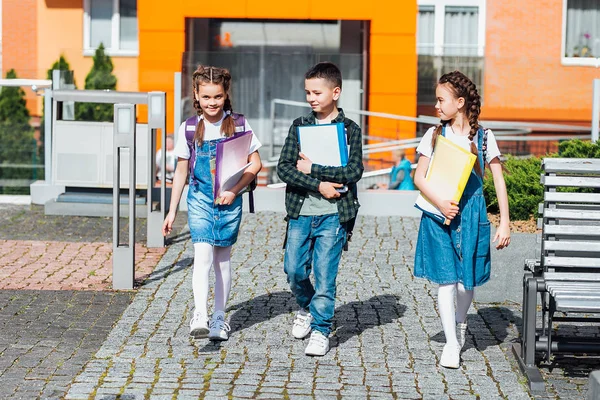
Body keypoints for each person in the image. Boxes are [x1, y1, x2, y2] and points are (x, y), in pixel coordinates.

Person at [413, 70, 510, 369]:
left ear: (460, 102)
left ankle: (459, 320)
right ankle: (452, 343)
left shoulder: (484, 138)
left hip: (472, 215)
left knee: (465, 283)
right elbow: (418, 176)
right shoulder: (434, 134)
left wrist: (504, 221)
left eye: (441, 100)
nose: (436, 106)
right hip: (438, 215)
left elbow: (497, 180)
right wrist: (441, 203)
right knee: (445, 281)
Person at [162, 65, 262, 341]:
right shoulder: (190, 128)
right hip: (200, 201)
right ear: (196, 95)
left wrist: (236, 190)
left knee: (222, 261)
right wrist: (172, 211)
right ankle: (200, 314)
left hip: (230, 201)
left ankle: (220, 317)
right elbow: (181, 170)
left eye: (217, 97)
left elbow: (255, 163)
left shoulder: (240, 124)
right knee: (203, 257)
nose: (212, 103)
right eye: (206, 97)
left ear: (225, 94)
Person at [277, 62, 364, 357]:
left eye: (317, 92)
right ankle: (308, 307)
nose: (311, 98)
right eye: (307, 93)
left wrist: (314, 168)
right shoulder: (299, 127)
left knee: (326, 276)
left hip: (334, 215)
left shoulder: (350, 130)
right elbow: (284, 169)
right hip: (301, 212)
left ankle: (322, 329)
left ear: (335, 92)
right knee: (293, 269)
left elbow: (353, 171)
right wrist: (319, 185)